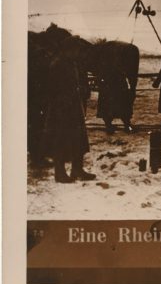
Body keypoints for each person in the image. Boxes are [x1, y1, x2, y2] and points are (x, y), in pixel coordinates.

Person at [41, 37, 96, 183]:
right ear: (68, 49)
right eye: (75, 49)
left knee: (78, 139)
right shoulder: (57, 64)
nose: (78, 52)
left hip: (73, 108)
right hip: (61, 110)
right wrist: (63, 103)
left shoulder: (72, 63)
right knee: (61, 140)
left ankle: (77, 170)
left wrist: (82, 90)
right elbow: (52, 89)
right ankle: (60, 173)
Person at [96, 65, 132, 133]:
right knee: (111, 101)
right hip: (109, 76)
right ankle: (110, 124)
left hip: (116, 76)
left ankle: (126, 123)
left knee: (121, 101)